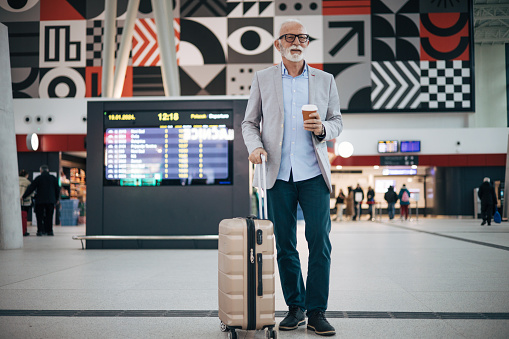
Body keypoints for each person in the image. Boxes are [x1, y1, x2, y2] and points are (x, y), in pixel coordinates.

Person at [242, 18, 342, 336]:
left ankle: (317, 311)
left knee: (320, 243)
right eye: (289, 37)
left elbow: (337, 120)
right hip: (278, 175)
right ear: (278, 44)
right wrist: (255, 147)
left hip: (314, 174)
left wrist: (324, 129)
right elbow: (249, 122)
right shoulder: (263, 78)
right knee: (285, 245)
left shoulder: (325, 80)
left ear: (307, 43)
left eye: (302, 37)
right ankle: (295, 306)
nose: (296, 42)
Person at [22, 165, 59, 236]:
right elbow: (57, 189)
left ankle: (40, 231)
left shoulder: (38, 178)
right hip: (50, 200)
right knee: (49, 216)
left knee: (39, 216)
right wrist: (57, 199)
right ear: (48, 170)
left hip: (40, 200)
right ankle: (49, 231)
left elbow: (31, 188)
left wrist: (24, 196)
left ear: (41, 171)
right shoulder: (53, 178)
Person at [18, 169, 32, 236]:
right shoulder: (28, 182)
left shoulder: (15, 180)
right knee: (24, 217)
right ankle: (24, 230)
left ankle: (17, 230)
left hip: (16, 202)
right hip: (25, 202)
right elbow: (31, 193)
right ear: (26, 175)